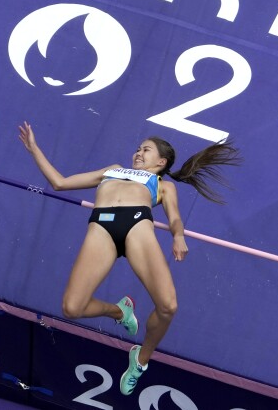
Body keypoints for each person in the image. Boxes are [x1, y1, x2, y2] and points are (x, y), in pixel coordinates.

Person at [17, 121, 241, 395]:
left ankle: (141, 359)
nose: (138, 153)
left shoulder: (162, 184)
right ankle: (119, 311)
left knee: (168, 306)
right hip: (101, 227)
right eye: (137, 148)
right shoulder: (112, 170)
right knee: (72, 308)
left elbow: (175, 218)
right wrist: (33, 149)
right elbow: (60, 182)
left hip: (137, 227)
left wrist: (178, 236)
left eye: (145, 150)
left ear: (161, 161)